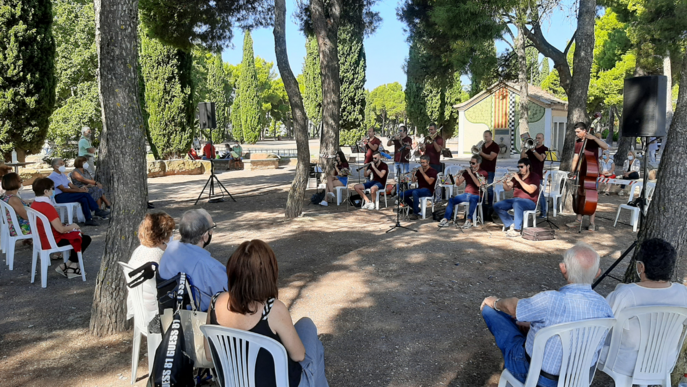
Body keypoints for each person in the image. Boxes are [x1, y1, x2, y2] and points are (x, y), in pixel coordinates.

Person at [480, 242, 613, 387]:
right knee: (523, 323)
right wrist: (532, 325)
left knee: (491, 311)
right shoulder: (605, 306)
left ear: (563, 268)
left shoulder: (550, 300)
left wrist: (494, 302)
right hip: (577, 379)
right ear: (598, 272)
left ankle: (512, 371)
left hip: (536, 376)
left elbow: (512, 308)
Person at [205, 240, 329, 387]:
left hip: (234, 383)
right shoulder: (273, 309)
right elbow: (298, 355)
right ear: (268, 274)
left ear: (233, 271)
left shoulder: (214, 302)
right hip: (282, 383)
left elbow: (209, 355)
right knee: (309, 330)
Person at [600, 238, 687, 376]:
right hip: (664, 363)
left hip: (625, 364)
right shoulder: (683, 293)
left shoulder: (625, 293)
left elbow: (600, 323)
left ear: (641, 267)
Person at [159, 209, 227, 312]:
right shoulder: (209, 266)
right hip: (199, 320)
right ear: (204, 236)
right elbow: (230, 297)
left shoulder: (170, 249)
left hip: (169, 314)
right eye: (211, 229)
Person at [30, 178, 92, 279]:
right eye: (52, 189)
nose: (53, 191)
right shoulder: (47, 207)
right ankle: (72, 266)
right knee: (84, 238)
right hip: (52, 240)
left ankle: (67, 265)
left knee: (78, 235)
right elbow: (61, 230)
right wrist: (74, 226)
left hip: (41, 239)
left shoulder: (35, 203)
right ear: (46, 192)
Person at [126, 212, 176, 331]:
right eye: (171, 233)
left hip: (140, 308)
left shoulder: (139, 250)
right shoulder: (159, 256)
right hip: (155, 312)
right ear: (163, 237)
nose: (172, 236)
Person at [567, 122, 609, 231]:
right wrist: (573, 170)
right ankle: (578, 219)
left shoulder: (592, 140)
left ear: (585, 130)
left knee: (591, 197)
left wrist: (594, 138)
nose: (576, 134)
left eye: (578, 132)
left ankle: (592, 223)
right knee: (580, 195)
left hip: (591, 173)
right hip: (581, 173)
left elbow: (605, 147)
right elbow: (576, 157)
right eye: (575, 132)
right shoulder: (578, 142)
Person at [49, 158, 106, 226]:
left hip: (66, 194)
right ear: (56, 166)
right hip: (60, 196)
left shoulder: (62, 175)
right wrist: (80, 191)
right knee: (85, 194)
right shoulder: (53, 176)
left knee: (84, 199)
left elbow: (71, 185)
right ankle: (97, 210)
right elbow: (64, 189)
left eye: (63, 164)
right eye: (61, 164)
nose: (63, 165)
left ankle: (89, 219)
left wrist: (80, 188)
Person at [493, 158, 541, 238]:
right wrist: (504, 182)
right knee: (497, 205)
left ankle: (517, 230)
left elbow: (531, 190)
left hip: (530, 202)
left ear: (528, 166)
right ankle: (511, 223)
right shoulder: (517, 176)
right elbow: (507, 189)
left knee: (517, 203)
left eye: (522, 167)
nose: (520, 169)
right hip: (516, 200)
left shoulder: (534, 176)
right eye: (518, 167)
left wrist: (519, 180)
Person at [439, 155, 487, 229]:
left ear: (479, 164)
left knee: (473, 199)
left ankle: (468, 220)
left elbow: (479, 184)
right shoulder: (467, 172)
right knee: (451, 200)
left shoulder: (483, 172)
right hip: (466, 194)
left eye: (473, 163)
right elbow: (458, 184)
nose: (471, 165)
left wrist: (471, 173)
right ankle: (446, 219)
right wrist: (458, 176)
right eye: (470, 163)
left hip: (477, 195)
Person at [400, 155, 437, 220]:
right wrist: (413, 175)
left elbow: (430, 182)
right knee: (402, 194)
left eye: (424, 162)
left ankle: (415, 213)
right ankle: (416, 208)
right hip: (419, 189)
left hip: (428, 190)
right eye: (421, 162)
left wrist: (422, 172)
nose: (422, 164)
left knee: (415, 192)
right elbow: (414, 181)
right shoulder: (420, 170)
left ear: (428, 162)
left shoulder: (433, 171)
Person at [521, 133, 549, 217]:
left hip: (538, 175)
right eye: (536, 138)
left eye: (539, 138)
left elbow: (541, 158)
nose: (537, 140)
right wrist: (525, 147)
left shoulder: (545, 149)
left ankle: (543, 212)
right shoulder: (530, 149)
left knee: (540, 194)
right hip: (530, 175)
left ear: (543, 139)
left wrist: (533, 150)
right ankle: (529, 211)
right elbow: (522, 157)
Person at [1, 173, 31, 237]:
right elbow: (26, 216)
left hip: (10, 227)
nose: (22, 182)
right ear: (14, 182)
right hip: (18, 228)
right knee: (47, 220)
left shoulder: (5, 196)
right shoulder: (13, 199)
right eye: (20, 180)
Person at [388, 125, 412, 196]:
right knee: (397, 178)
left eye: (401, 131)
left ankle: (405, 193)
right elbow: (388, 144)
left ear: (405, 132)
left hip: (404, 161)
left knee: (404, 179)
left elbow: (406, 147)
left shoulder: (408, 139)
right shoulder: (396, 139)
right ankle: (398, 194)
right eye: (399, 130)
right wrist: (391, 138)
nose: (399, 132)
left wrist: (400, 140)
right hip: (396, 161)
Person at [479, 130, 501, 206]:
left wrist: (481, 153)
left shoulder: (495, 146)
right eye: (484, 136)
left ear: (491, 137)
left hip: (490, 170)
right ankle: (483, 205)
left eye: (486, 136)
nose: (484, 138)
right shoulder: (482, 145)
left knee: (489, 189)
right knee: (482, 187)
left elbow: (491, 157)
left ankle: (490, 206)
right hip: (482, 170)